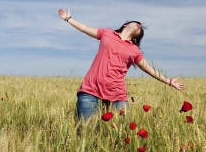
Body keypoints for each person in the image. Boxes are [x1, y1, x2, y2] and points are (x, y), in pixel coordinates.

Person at [57, 8, 185, 125]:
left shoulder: (134, 50)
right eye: (135, 22)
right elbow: (85, 28)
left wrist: (168, 81)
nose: (138, 24)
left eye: (140, 27)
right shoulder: (107, 33)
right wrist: (69, 19)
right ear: (125, 25)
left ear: (138, 35)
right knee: (87, 132)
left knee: (121, 133)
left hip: (117, 94)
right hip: (90, 90)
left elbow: (149, 69)